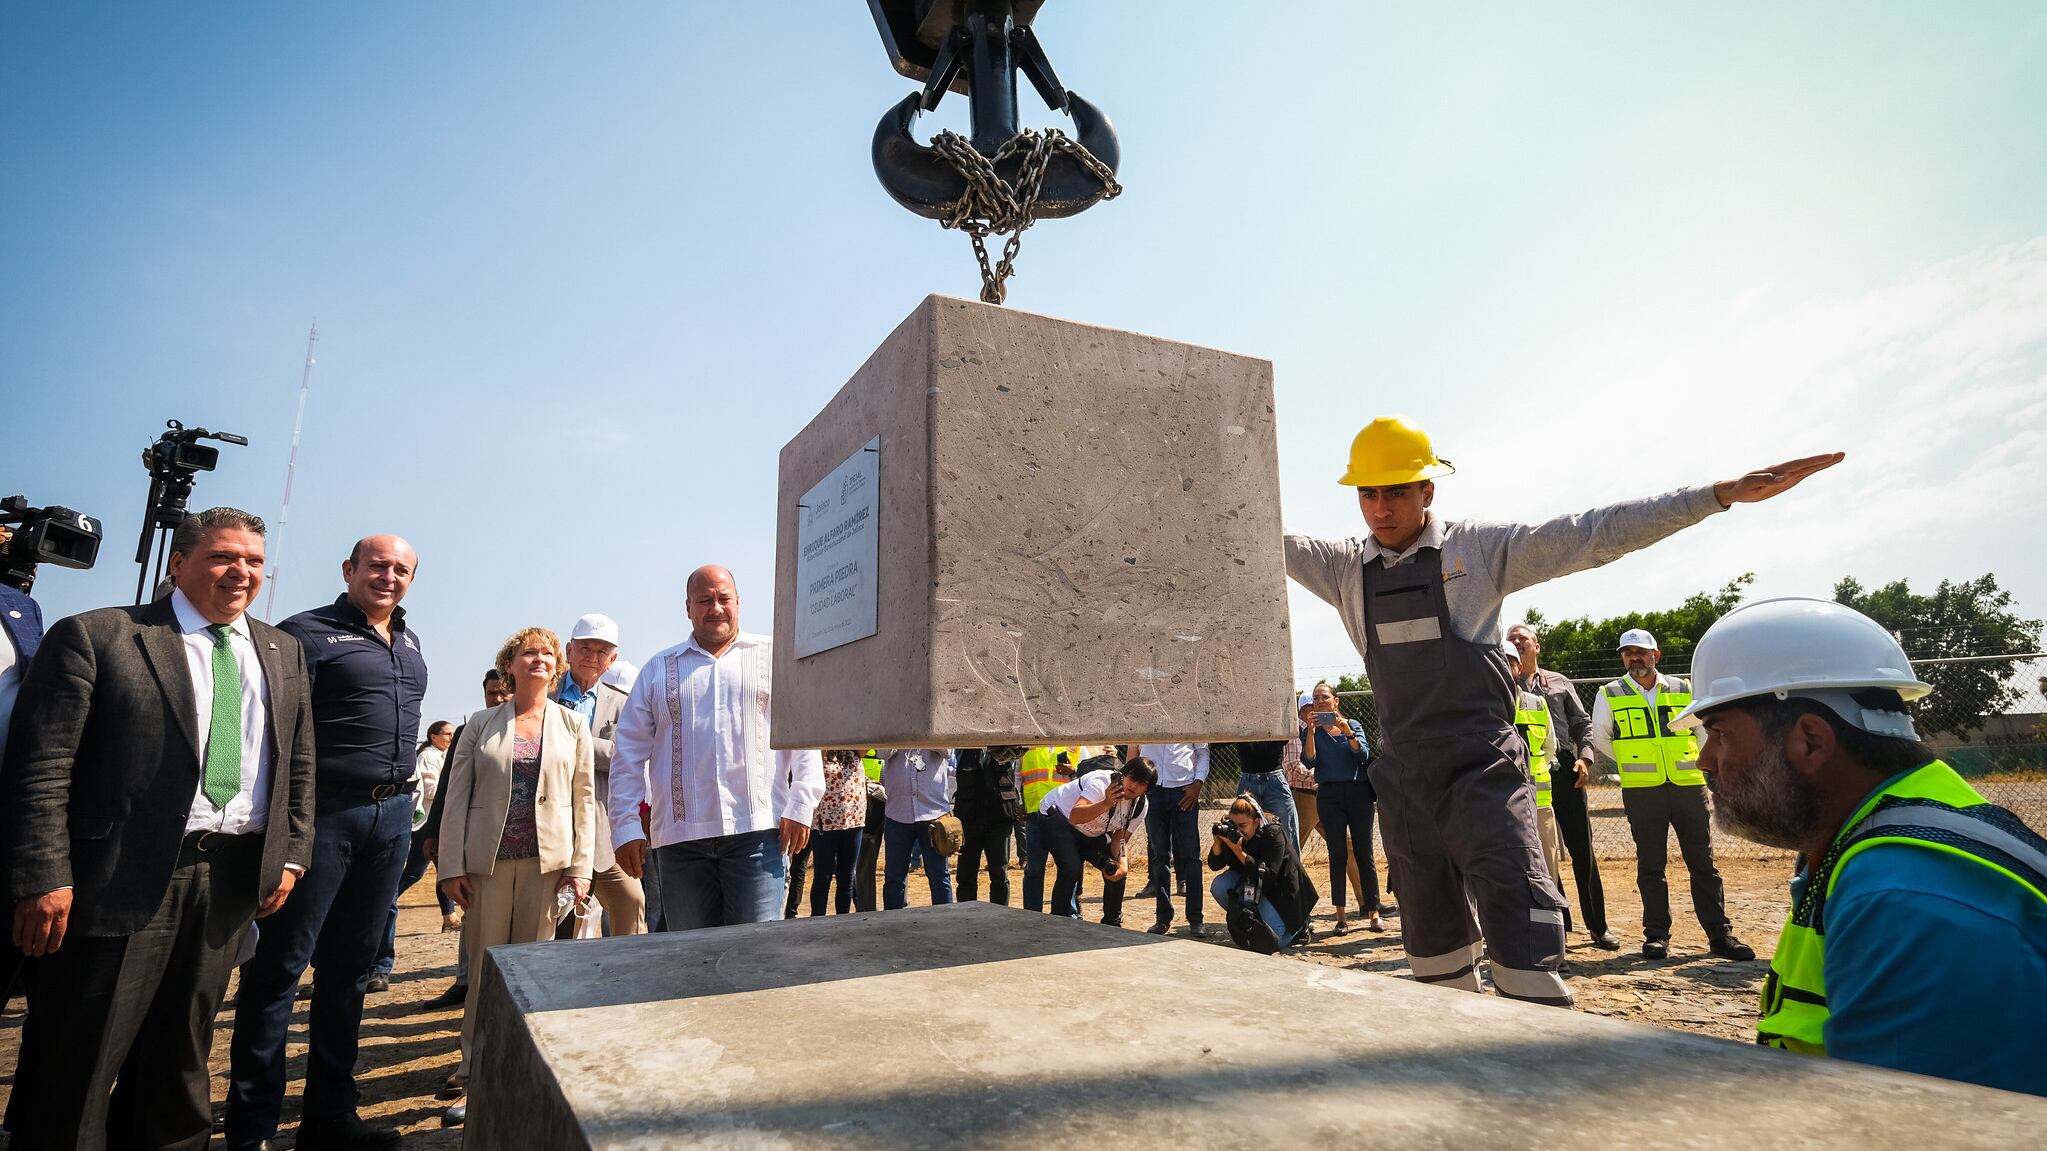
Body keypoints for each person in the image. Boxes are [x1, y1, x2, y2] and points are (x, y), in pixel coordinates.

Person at [1285, 414, 1839, 1004]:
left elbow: (1588, 535)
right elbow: (1251, 528)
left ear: (1428, 490)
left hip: (1483, 777)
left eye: (1396, 491)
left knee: (1523, 938)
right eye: (1368, 493)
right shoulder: (1345, 568)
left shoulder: (1477, 551)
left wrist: (1716, 495)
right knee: (1434, 958)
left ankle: (1540, 1034)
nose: (1380, 508)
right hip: (1406, 788)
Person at [1, 507, 315, 1150]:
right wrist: (43, 875)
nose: (241, 571)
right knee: (78, 1065)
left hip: (227, 884)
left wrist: (290, 853)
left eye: (254, 561)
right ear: (179, 563)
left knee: (181, 1063)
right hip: (113, 884)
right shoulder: (98, 636)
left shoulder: (281, 651)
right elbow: (41, 769)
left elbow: (300, 760)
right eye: (223, 556)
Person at [1675, 597, 2047, 1095]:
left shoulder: (1906, 898)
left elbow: (1909, 1123)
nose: (1704, 760)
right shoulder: (1857, 840)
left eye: (1719, 733)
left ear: (1810, 740)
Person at [229, 535, 426, 1151]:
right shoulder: (304, 634)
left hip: (390, 819)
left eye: (401, 569)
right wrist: (287, 829)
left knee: (350, 971)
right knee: (278, 970)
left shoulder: (410, 641)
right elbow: (272, 733)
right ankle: (252, 1128)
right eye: (377, 566)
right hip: (323, 815)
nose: (388, 576)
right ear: (349, 570)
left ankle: (330, 1118)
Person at [434, 627, 596, 1126]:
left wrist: (581, 868)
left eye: (548, 653)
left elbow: (584, 799)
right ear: (510, 664)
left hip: (548, 868)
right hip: (486, 867)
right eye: (529, 652)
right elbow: (456, 797)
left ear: (558, 666)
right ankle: (476, 1078)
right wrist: (450, 867)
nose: (539, 658)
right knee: (485, 977)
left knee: (535, 977)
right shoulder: (480, 724)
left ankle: (526, 1077)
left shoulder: (572, 725)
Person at [608, 565, 823, 929]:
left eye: (724, 598)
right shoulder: (658, 669)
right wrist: (626, 826)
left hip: (757, 834)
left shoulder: (774, 658)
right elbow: (627, 753)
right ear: (688, 607)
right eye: (704, 600)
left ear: (739, 601)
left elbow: (805, 734)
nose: (716, 608)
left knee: (753, 950)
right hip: (680, 841)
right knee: (692, 953)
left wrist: (801, 804)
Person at [1589, 628, 1752, 962]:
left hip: (1687, 786)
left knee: (1703, 862)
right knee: (1651, 865)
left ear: (1656, 655)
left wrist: (1698, 765)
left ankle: (1720, 935)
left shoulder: (1683, 688)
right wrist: (1633, 760)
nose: (1634, 658)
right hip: (1642, 791)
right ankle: (1656, 936)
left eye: (1640, 652)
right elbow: (1601, 738)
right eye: (1628, 653)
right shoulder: (1610, 693)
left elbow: (1702, 731)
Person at [1507, 622, 1618, 949]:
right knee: (1542, 852)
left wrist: (1585, 758)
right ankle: (1560, 924)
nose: (1517, 642)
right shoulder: (1503, 687)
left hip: (1565, 770)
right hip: (1525, 776)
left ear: (1537, 645)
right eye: (1512, 639)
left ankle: (1598, 926)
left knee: (1581, 849)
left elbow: (1581, 723)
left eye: (1523, 638)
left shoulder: (1559, 682)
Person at [416, 669, 511, 1011]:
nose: (498, 699)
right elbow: (448, 786)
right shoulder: (471, 730)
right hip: (477, 839)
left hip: (520, 843)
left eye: (504, 692)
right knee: (473, 915)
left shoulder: (540, 727)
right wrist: (434, 830)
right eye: (492, 693)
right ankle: (465, 982)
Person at [551, 612, 647, 937]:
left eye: (602, 651)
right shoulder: (544, 695)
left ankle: (627, 969)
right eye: (585, 648)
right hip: (554, 828)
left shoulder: (623, 703)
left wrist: (570, 740)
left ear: (612, 659)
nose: (592, 657)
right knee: (559, 920)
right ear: (568, 650)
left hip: (601, 834)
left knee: (631, 903)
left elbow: (623, 757)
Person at [368, 719, 458, 991]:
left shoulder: (439, 756)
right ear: (433, 735)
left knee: (441, 871)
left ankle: (448, 916)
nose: (450, 738)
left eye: (452, 734)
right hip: (426, 825)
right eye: (446, 734)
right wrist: (452, 787)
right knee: (416, 872)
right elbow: (429, 791)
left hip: (436, 824)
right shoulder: (428, 757)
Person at [1300, 681, 1383, 934]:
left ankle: (1373, 912)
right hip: (1329, 795)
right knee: (1337, 855)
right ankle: (1341, 917)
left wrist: (1347, 731)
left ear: (1336, 701)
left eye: (1324, 697)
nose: (1319, 701)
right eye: (1315, 698)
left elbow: (1362, 755)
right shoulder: (1311, 731)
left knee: (1364, 852)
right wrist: (1311, 732)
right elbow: (1309, 760)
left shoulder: (1353, 724)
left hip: (1358, 794)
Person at [1040, 757, 1154, 926]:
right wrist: (1106, 803)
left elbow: (1120, 838)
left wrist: (1123, 865)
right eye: (1132, 778)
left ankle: (1112, 923)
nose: (1134, 785)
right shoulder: (1101, 783)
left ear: (1147, 789)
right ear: (1123, 774)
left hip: (1091, 831)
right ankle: (1059, 921)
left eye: (1141, 783)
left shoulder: (1140, 805)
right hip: (1058, 817)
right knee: (1071, 868)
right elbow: (1075, 817)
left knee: (1115, 869)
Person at [1503, 643, 1567, 922]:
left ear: (1519, 667)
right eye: (1498, 661)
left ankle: (1549, 934)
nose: (1504, 667)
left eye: (1510, 662)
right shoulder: (1477, 706)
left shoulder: (1537, 704)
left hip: (1539, 804)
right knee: (1504, 872)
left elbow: (1549, 748)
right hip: (1498, 807)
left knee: (1546, 871)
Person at [1208, 793, 1317, 951]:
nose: (1238, 830)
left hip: (1282, 891)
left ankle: (1301, 925)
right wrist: (1218, 842)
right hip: (1254, 884)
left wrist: (1239, 852)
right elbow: (1215, 865)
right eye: (1234, 824)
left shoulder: (1272, 833)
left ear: (1256, 821)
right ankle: (1249, 919)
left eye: (1243, 825)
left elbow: (1269, 877)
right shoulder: (1233, 833)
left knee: (1275, 943)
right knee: (1220, 885)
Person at [1127, 742, 1209, 937]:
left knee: (1191, 856)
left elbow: (1202, 752)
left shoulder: (1190, 722)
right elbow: (1133, 750)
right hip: (1152, 790)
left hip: (1184, 790)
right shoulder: (1141, 722)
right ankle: (1163, 919)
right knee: (1159, 857)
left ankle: (1195, 919)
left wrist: (1198, 783)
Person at [878, 748, 957, 909]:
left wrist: (926, 736)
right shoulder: (892, 730)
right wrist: (902, 735)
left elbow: (947, 751)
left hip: (933, 812)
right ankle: (892, 921)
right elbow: (883, 753)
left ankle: (945, 920)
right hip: (898, 812)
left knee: (939, 875)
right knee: (894, 877)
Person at [954, 746, 1025, 904]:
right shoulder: (963, 747)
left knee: (999, 875)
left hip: (999, 820)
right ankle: (966, 913)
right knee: (965, 875)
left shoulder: (1008, 749)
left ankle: (1000, 913)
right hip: (969, 821)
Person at [1019, 746, 1082, 914]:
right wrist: (1019, 801)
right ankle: (1032, 914)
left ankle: (1068, 912)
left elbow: (1087, 775)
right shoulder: (1027, 744)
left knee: (1068, 867)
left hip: (1065, 813)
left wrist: (1073, 770)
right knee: (1034, 868)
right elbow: (1018, 774)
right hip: (1036, 812)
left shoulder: (1074, 745)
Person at [806, 750, 868, 915]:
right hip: (824, 822)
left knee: (846, 876)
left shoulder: (853, 747)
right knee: (823, 876)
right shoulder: (819, 749)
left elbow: (865, 748)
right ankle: (817, 921)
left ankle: (843, 920)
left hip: (853, 818)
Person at [1223, 722, 1300, 852]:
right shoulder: (1238, 714)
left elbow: (1285, 734)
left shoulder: (1273, 712)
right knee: (1243, 830)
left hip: (1274, 778)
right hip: (1248, 778)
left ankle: (1292, 865)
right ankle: (1248, 864)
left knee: (1287, 832)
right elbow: (1217, 743)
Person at [853, 749, 886, 913]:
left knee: (898, 859)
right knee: (865, 861)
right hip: (870, 796)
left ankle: (899, 906)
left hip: (895, 796)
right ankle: (866, 910)